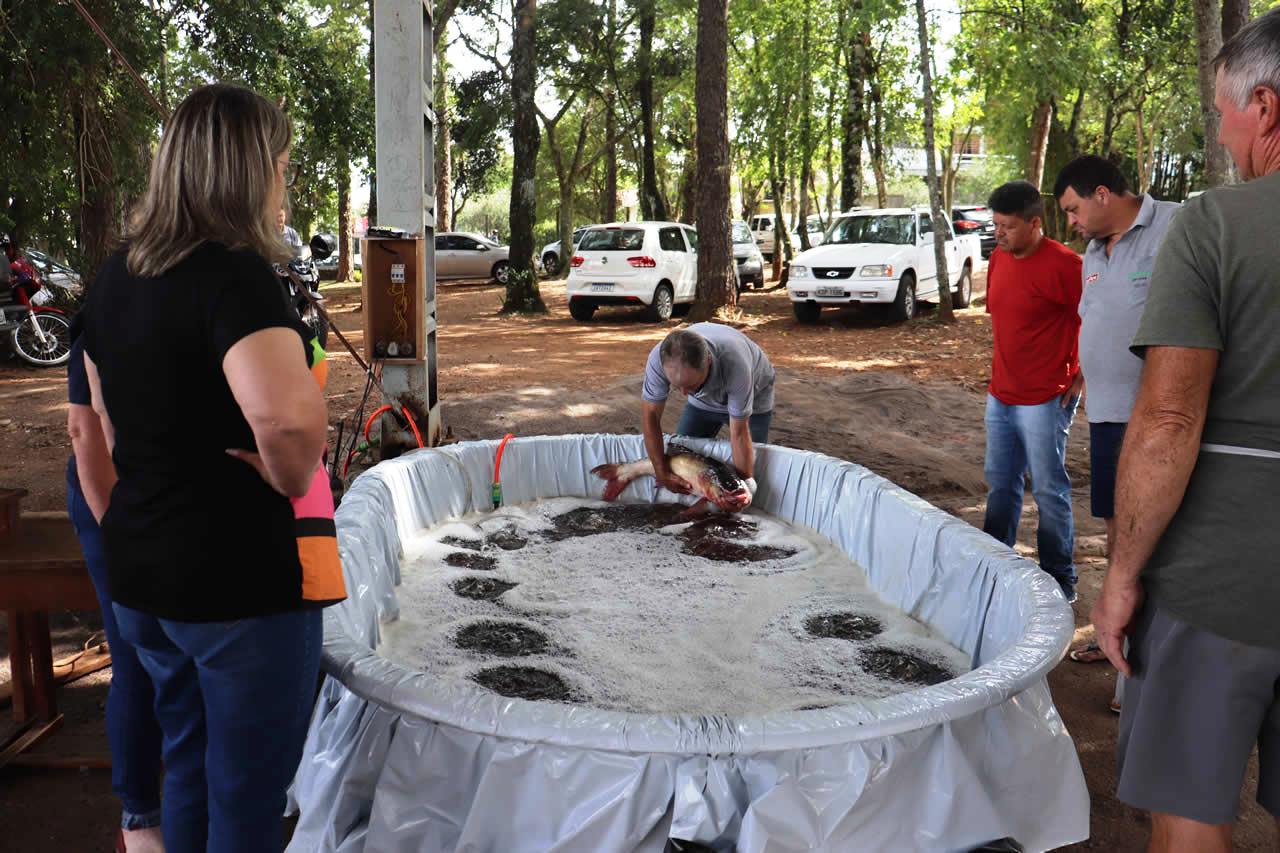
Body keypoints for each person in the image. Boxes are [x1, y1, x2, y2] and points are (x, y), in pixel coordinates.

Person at [79, 83, 343, 853]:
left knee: (186, 762)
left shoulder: (116, 274)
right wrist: (286, 472)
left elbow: (101, 409)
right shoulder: (235, 275)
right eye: (282, 167)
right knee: (248, 797)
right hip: (234, 583)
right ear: (246, 169)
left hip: (143, 577)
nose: (285, 183)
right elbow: (289, 420)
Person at [1092, 11, 1280, 851]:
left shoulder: (1215, 224)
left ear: (1265, 108)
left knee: (1188, 805)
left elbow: (1169, 418)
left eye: (1224, 112)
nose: (1226, 132)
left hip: (1221, 577)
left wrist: (1122, 574)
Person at [1053, 155, 1180, 713]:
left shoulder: (1176, 227)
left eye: (1075, 210)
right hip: (1106, 419)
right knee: (1117, 533)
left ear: (1102, 193)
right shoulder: (1092, 256)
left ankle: (1152, 672)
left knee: (1157, 538)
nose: (1072, 223)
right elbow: (1098, 322)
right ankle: (1121, 639)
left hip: (1158, 419)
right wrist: (1084, 373)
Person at [66, 316, 165, 853]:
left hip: (163, 496)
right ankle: (139, 818)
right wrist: (117, 533)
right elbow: (84, 431)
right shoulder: (110, 304)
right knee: (134, 655)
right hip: (110, 491)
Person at [982, 180, 1084, 602]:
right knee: (1000, 484)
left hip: (1046, 397)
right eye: (996, 225)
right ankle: (992, 565)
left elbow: (1096, 318)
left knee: (1047, 489)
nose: (999, 233)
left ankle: (1060, 579)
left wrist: (1084, 374)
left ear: (1034, 223)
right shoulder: (997, 260)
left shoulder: (1066, 265)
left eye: (1006, 226)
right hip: (1001, 395)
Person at [641, 324, 775, 492]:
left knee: (753, 473)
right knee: (683, 456)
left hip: (754, 398)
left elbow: (739, 433)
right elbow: (651, 416)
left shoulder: (736, 365)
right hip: (702, 404)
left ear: (708, 362)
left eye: (690, 385)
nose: (683, 393)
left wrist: (742, 490)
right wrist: (660, 472)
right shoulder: (659, 358)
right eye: (677, 386)